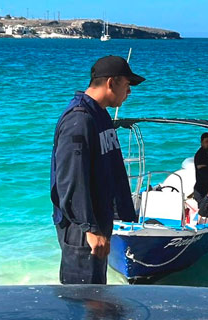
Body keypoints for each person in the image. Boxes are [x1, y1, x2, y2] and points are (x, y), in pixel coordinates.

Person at [50, 55, 145, 284]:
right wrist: (90, 228)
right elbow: (70, 180)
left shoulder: (99, 114)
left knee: (98, 300)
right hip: (81, 228)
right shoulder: (79, 119)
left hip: (97, 222)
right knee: (83, 300)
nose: (129, 92)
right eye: (127, 84)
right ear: (111, 82)